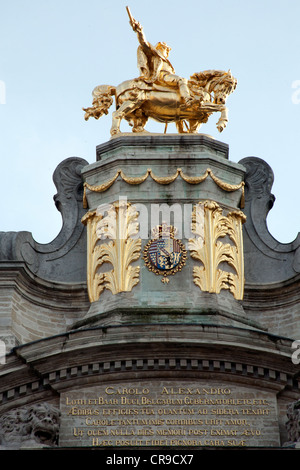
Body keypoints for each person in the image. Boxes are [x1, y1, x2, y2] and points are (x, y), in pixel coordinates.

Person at [130, 18, 193, 106]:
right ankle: (187, 99)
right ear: (159, 48)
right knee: (181, 80)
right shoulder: (154, 54)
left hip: (167, 77)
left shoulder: (164, 59)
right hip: (162, 76)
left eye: (167, 50)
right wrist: (140, 31)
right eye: (165, 48)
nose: (167, 52)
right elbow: (143, 42)